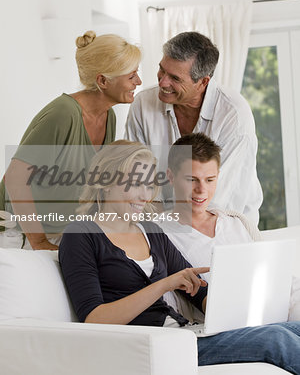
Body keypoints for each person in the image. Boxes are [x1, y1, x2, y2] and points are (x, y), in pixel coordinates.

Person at [59, 140, 300, 373]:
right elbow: (94, 320)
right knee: (277, 339)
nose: (144, 196)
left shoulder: (150, 231)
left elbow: (197, 291)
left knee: (293, 328)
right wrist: (163, 284)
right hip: (146, 345)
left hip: (182, 335)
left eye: (148, 185)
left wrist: (241, 309)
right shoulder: (80, 235)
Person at [0, 31, 142, 250]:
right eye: (131, 76)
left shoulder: (108, 116)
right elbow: (15, 179)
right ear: (103, 80)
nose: (138, 82)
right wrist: (39, 243)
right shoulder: (63, 114)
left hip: (60, 230)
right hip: (20, 234)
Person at [125, 31, 262, 226]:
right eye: (162, 70)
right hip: (161, 226)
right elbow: (136, 179)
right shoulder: (143, 104)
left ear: (203, 82)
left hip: (223, 227)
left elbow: (214, 199)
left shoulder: (234, 115)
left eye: (175, 78)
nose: (163, 82)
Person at [159, 132, 300, 322]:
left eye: (210, 180)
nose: (202, 190)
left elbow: (282, 282)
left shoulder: (236, 222)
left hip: (271, 319)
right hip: (224, 331)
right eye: (192, 180)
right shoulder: (159, 235)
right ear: (171, 176)